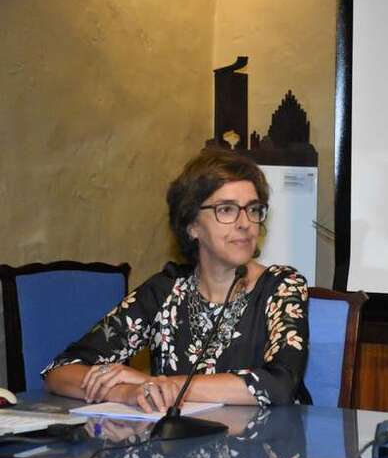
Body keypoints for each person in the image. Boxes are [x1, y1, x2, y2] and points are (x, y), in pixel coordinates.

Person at [44, 148, 310, 412]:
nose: (245, 223)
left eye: (253, 209)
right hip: (175, 449)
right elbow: (61, 370)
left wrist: (161, 384)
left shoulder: (282, 287)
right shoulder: (164, 291)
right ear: (192, 226)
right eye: (227, 210)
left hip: (261, 447)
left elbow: (280, 384)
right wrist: (127, 392)